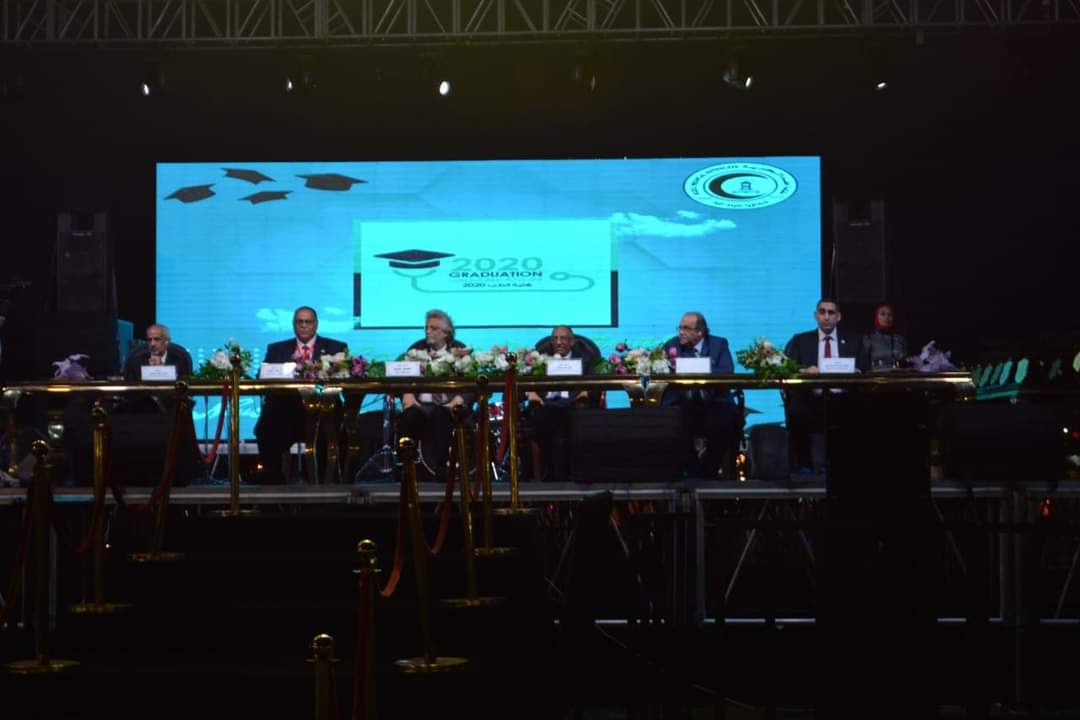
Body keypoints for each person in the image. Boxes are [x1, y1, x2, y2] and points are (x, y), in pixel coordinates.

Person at [253, 306, 347, 484]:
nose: (304, 325)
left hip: (324, 410)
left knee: (334, 424)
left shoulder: (336, 348)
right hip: (286, 410)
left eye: (308, 322)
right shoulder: (277, 349)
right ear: (293, 324)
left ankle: (327, 482)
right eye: (299, 321)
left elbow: (345, 378)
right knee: (268, 425)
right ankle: (273, 482)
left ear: (316, 324)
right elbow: (262, 376)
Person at [783, 298, 868, 472]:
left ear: (839, 317)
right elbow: (787, 368)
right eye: (822, 312)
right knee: (797, 409)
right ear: (816, 316)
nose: (826, 317)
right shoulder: (800, 340)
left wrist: (856, 371)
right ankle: (804, 465)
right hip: (811, 396)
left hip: (844, 397)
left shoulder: (854, 341)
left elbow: (865, 369)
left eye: (831, 312)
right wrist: (804, 371)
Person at [661, 312, 740, 479]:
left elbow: (727, 371)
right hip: (683, 402)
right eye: (680, 328)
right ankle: (693, 473)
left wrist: (696, 366)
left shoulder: (719, 344)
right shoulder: (671, 345)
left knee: (723, 422)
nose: (681, 332)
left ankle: (708, 473)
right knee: (674, 423)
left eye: (686, 328)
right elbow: (661, 370)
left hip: (714, 402)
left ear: (700, 332)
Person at [396, 309, 470, 481]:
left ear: (446, 333)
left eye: (434, 328)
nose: (428, 331)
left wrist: (459, 400)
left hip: (449, 406)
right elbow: (401, 374)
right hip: (420, 405)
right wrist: (407, 394)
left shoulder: (460, 351)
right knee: (409, 417)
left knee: (441, 416)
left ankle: (440, 468)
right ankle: (405, 466)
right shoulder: (416, 350)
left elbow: (471, 382)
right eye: (427, 328)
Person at [526, 325, 601, 483]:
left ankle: (571, 474)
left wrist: (586, 392)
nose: (559, 342)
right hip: (546, 405)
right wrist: (530, 393)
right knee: (543, 420)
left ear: (572, 341)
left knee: (572, 420)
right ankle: (548, 475)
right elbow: (526, 382)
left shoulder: (585, 361)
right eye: (555, 338)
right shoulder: (540, 361)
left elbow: (595, 383)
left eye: (563, 338)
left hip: (574, 405)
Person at [122, 323, 193, 381]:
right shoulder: (135, 358)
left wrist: (160, 368)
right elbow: (130, 386)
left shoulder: (181, 358)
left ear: (167, 341)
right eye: (149, 340)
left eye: (157, 339)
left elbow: (183, 386)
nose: (152, 344)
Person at [863, 303, 908, 371]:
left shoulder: (900, 339)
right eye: (883, 314)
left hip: (898, 375)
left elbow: (905, 360)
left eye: (890, 314)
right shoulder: (869, 339)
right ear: (877, 317)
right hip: (876, 375)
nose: (887, 317)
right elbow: (863, 363)